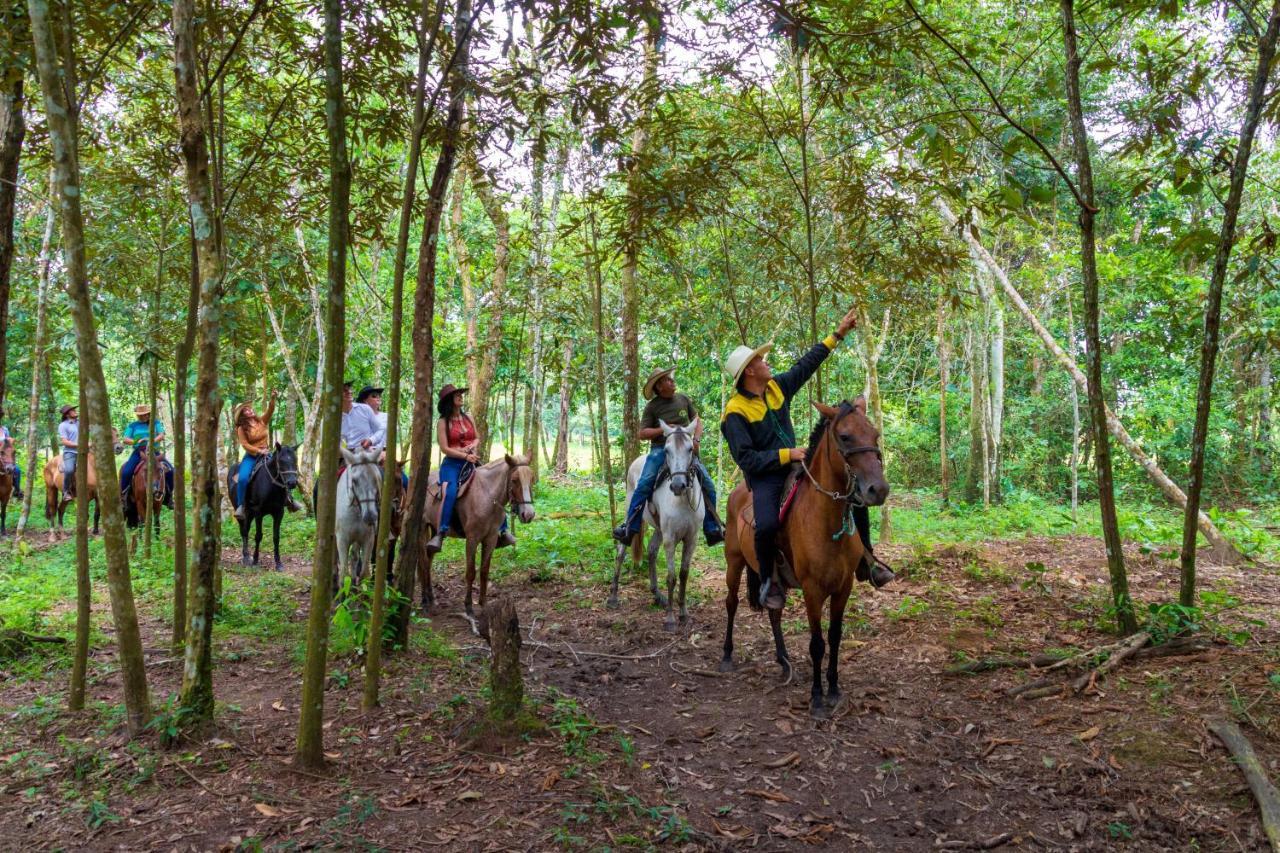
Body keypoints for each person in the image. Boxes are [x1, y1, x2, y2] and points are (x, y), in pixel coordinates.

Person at [721, 305, 885, 610]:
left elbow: (806, 365)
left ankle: (867, 559)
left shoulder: (776, 388)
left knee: (853, 497)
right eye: (760, 359)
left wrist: (838, 334)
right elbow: (746, 459)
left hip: (798, 464)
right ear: (749, 372)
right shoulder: (735, 412)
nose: (765, 361)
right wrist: (787, 454)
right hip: (766, 475)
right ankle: (768, 579)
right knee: (767, 524)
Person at [612, 367, 725, 547]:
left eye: (671, 379)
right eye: (667, 380)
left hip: (686, 449)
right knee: (644, 483)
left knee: (708, 485)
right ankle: (630, 527)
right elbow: (642, 433)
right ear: (659, 386)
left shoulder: (683, 399)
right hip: (660, 449)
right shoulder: (652, 407)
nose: (672, 381)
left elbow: (697, 421)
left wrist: (696, 438)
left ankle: (712, 528)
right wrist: (664, 429)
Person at [427, 384, 515, 553]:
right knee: (450, 491)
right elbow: (445, 448)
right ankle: (441, 532)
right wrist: (464, 455)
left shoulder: (468, 417)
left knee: (495, 488)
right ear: (449, 401)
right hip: (452, 464)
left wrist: (472, 448)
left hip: (472, 461)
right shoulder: (442, 422)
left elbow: (476, 438)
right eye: (457, 395)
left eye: (461, 393)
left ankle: (503, 530)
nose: (461, 396)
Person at [231, 390, 301, 519]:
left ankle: (290, 500)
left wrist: (273, 398)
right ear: (242, 415)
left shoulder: (261, 421)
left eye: (249, 408)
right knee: (243, 478)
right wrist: (258, 451)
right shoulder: (241, 428)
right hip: (252, 456)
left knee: (283, 469)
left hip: (267, 453)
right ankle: (241, 506)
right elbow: (244, 444)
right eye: (245, 410)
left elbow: (271, 410)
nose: (249, 410)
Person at [119, 404, 174, 509]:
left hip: (154, 452)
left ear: (148, 414)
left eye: (144, 414)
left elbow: (161, 435)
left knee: (171, 471)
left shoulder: (155, 423)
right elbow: (125, 439)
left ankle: (169, 497)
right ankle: (123, 498)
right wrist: (137, 441)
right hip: (138, 452)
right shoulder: (133, 425)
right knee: (126, 472)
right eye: (140, 415)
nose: (142, 416)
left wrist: (151, 441)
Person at [0, 409, 24, 500]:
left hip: (4, 456)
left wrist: (11, 440)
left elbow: (8, 443)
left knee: (17, 470)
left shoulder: (4, 429)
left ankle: (17, 490)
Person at [58, 404, 78, 500]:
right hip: (71, 452)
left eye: (74, 409)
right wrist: (79, 445)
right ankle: (65, 491)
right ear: (67, 415)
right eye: (72, 410)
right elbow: (65, 442)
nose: (75, 411)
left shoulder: (80, 423)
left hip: (85, 451)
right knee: (69, 470)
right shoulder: (63, 425)